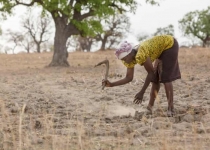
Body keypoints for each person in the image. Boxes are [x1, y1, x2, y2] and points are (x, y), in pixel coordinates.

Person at [102, 35, 181, 117]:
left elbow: (150, 73)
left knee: (165, 77)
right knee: (155, 79)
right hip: (161, 49)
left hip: (170, 45)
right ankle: (149, 108)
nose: (124, 61)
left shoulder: (140, 54)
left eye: (124, 59)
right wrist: (111, 84)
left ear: (129, 55)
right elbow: (129, 78)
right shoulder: (130, 59)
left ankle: (171, 109)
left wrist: (142, 92)